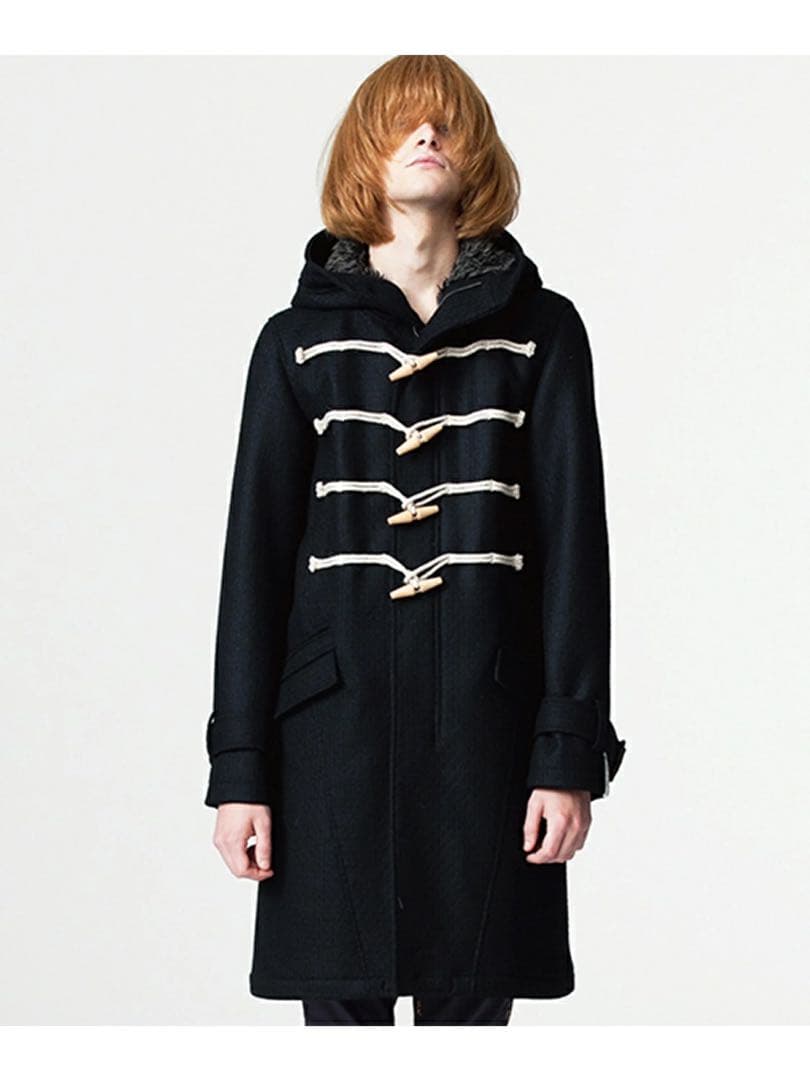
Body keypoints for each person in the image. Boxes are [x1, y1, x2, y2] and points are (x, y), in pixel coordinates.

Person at [204, 54, 627, 1027]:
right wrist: (240, 772)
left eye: (446, 123)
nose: (426, 136)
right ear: (364, 152)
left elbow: (575, 555)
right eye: (400, 123)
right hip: (328, 742)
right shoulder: (293, 344)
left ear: (479, 153)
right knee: (339, 1022)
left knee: (472, 1018)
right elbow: (252, 568)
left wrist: (566, 753)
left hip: (490, 730)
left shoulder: (544, 334)